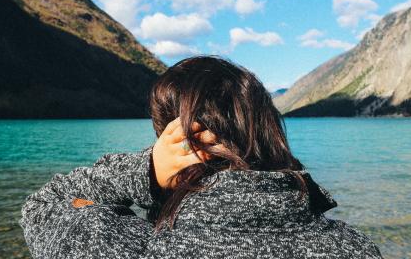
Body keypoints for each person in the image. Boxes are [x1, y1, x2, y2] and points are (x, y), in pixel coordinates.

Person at [20, 55, 383, 258]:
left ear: (174, 143)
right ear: (268, 131)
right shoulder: (354, 248)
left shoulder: (127, 247)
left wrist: (146, 171)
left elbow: (44, 204)